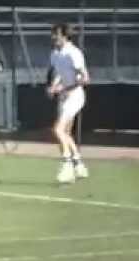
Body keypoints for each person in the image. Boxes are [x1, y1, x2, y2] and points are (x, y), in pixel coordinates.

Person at [46, 23, 90, 183]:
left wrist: (65, 87)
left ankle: (67, 165)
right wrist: (54, 86)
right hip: (64, 97)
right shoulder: (55, 54)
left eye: (56, 34)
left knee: (57, 130)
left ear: (64, 36)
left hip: (75, 96)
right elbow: (59, 73)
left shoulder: (74, 54)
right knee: (65, 133)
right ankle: (79, 164)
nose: (53, 37)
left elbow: (85, 78)